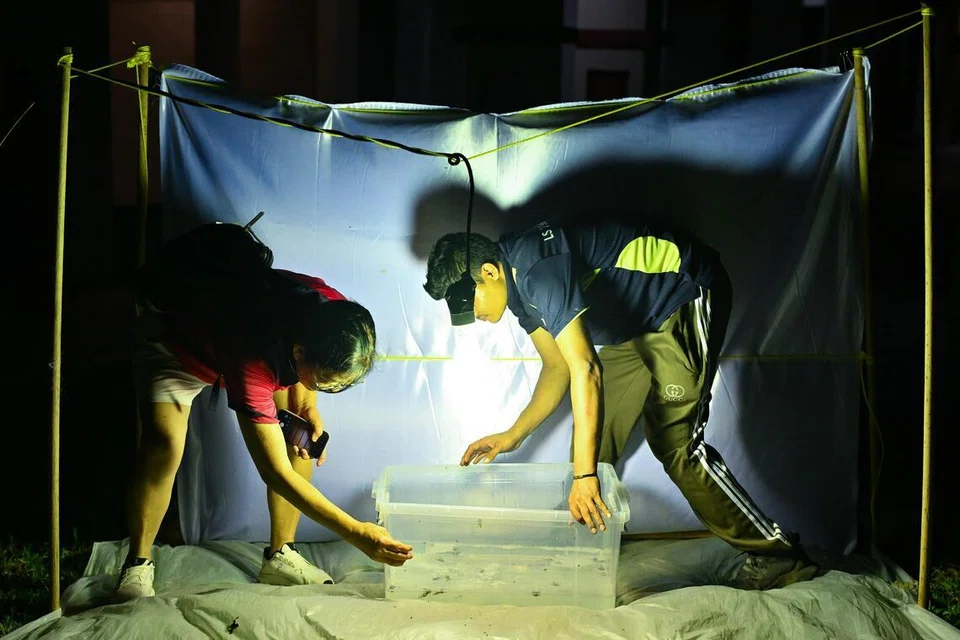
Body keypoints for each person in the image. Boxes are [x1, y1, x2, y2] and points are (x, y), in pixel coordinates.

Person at [422, 217, 818, 590]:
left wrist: (584, 478)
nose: (474, 315)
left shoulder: (536, 270)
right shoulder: (517, 285)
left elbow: (586, 369)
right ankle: (590, 545)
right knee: (595, 439)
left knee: (675, 444)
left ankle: (777, 556)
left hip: (679, 294)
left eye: (471, 302)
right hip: (634, 321)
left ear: (489, 272)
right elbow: (557, 367)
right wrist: (513, 435)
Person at [116, 231, 413, 602]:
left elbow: (307, 369)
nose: (327, 389)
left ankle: (280, 556)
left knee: (301, 439)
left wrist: (308, 405)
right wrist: (356, 534)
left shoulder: (335, 312)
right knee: (164, 446)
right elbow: (275, 473)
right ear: (300, 352)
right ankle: (138, 561)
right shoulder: (251, 361)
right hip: (176, 344)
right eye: (324, 381)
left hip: (261, 341)